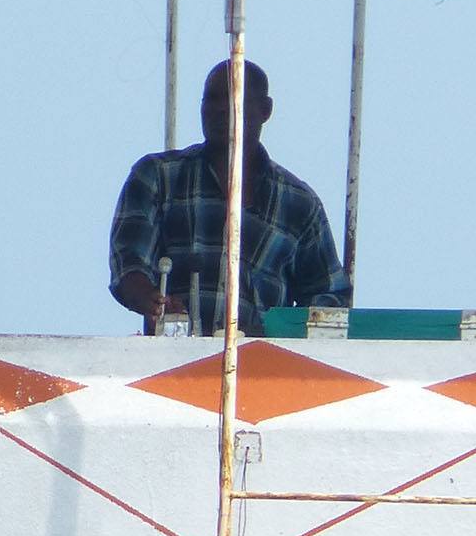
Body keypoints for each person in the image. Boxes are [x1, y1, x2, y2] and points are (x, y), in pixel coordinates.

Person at [109, 60, 350, 335]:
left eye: (234, 97)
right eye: (211, 99)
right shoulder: (158, 176)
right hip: (172, 363)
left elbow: (330, 301)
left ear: (265, 110)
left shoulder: (298, 203)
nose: (221, 108)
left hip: (263, 371)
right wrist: (152, 300)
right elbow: (127, 262)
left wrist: (270, 333)